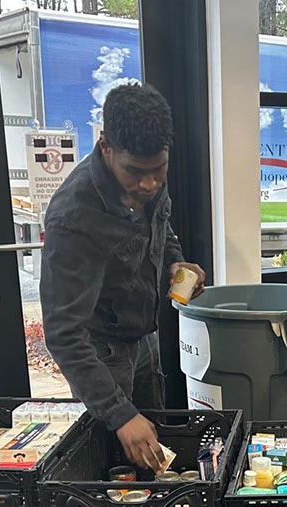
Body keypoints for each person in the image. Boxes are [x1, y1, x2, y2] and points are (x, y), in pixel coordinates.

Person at [40, 83, 206, 471]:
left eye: (158, 171)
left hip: (142, 337)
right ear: (105, 147)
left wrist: (176, 264)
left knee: (155, 453)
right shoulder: (74, 216)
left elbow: (162, 233)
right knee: (113, 466)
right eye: (135, 172)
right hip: (98, 354)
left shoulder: (148, 183)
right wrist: (118, 413)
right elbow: (63, 333)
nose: (148, 184)